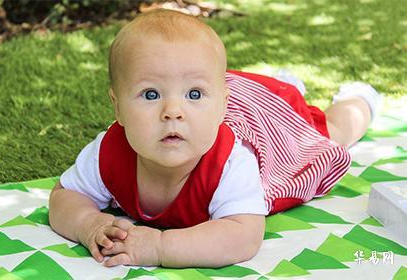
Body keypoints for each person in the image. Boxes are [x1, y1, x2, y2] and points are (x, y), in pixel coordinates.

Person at [49, 9, 381, 268]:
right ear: (118, 107)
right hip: (222, 99)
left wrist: (160, 247)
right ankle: (271, 85)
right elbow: (65, 196)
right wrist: (88, 223)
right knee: (208, 88)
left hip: (265, 124)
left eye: (193, 93)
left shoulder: (231, 163)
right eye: (150, 94)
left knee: (328, 134)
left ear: (220, 103)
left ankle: (359, 100)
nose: (172, 111)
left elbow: (243, 235)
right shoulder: (109, 151)